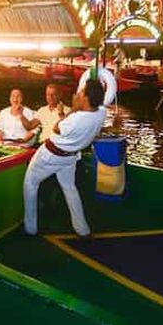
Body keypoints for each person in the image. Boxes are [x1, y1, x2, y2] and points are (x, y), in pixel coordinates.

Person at [23, 78, 106, 237]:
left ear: (86, 98)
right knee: (69, 188)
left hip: (50, 155)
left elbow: (56, 128)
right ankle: (82, 230)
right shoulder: (101, 113)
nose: (78, 94)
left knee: (30, 184)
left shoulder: (76, 118)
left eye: (81, 92)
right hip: (69, 158)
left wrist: (74, 108)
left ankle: (30, 228)